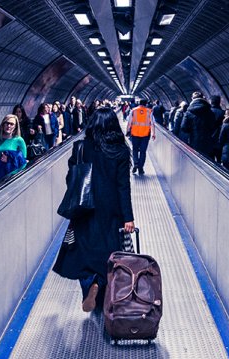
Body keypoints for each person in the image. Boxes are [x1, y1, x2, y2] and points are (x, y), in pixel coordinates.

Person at [53, 107, 135, 312]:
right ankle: (101, 287)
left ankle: (90, 285)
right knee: (109, 252)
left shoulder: (80, 147)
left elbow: (71, 178)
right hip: (111, 210)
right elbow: (123, 186)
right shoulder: (121, 151)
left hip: (84, 208)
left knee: (83, 252)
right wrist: (128, 218)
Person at [0, 114, 27, 185]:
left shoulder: (19, 140)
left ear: (15, 126)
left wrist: (10, 160)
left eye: (12, 124)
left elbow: (23, 161)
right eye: (7, 123)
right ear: (3, 124)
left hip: (11, 175)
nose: (9, 126)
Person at [181, 91, 217, 158]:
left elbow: (183, 127)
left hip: (194, 141)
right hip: (208, 142)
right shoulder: (210, 111)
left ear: (192, 99)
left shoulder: (188, 112)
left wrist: (192, 130)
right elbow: (213, 126)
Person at [126, 99, 156, 175]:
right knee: (143, 152)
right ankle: (140, 168)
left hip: (135, 134)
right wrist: (153, 133)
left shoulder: (133, 110)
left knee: (135, 150)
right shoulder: (149, 111)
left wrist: (127, 131)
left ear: (139, 103)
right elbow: (152, 123)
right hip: (145, 135)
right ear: (146, 104)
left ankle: (136, 163)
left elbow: (129, 122)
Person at [210, 95, 225, 163]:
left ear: (211, 102)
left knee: (210, 160)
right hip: (219, 140)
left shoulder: (207, 112)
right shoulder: (223, 113)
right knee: (219, 159)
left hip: (209, 139)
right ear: (219, 102)